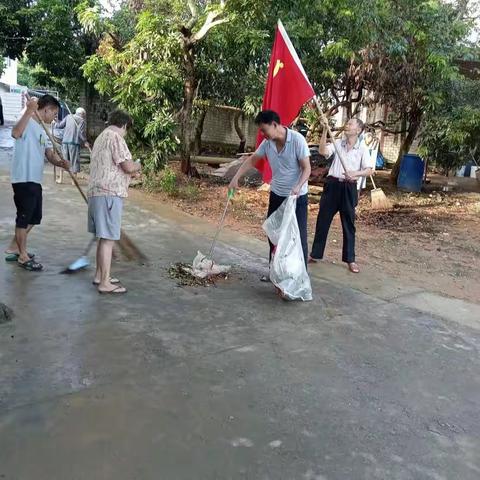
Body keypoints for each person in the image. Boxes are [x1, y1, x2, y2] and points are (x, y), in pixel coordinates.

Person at [229, 110, 311, 281]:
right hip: (277, 195)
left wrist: (297, 186)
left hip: (296, 198)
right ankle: (274, 270)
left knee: (298, 237)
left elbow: (307, 168)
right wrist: (236, 178)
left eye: (264, 130)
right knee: (273, 233)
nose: (262, 134)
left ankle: (300, 276)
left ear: (275, 125)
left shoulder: (297, 140)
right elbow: (252, 160)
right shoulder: (268, 144)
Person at [4, 94, 70, 271]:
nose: (54, 117)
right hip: (23, 177)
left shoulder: (43, 129)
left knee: (34, 217)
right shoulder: (24, 118)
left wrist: (60, 163)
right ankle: (23, 256)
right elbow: (15, 133)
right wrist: (29, 110)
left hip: (35, 178)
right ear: (46, 109)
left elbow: (49, 154)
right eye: (54, 113)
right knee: (23, 218)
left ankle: (14, 246)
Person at [309, 118, 374, 273]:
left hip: (348, 187)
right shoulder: (338, 143)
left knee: (348, 224)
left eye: (351, 124)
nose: (347, 125)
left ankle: (350, 259)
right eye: (347, 123)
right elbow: (323, 151)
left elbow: (369, 169)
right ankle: (315, 254)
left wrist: (355, 173)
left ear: (358, 130)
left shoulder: (362, 148)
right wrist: (325, 130)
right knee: (323, 220)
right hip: (332, 185)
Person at [87, 109, 141, 294]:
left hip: (96, 194)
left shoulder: (101, 137)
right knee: (108, 239)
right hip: (109, 194)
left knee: (103, 237)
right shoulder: (116, 137)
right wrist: (138, 166)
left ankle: (100, 276)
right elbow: (127, 166)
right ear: (124, 125)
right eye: (127, 129)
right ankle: (105, 283)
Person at [55, 107, 90, 184]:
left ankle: (60, 179)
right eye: (84, 115)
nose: (84, 116)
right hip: (74, 143)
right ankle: (73, 181)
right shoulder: (81, 121)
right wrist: (85, 141)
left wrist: (55, 122)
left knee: (64, 160)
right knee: (74, 162)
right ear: (82, 114)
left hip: (65, 142)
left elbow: (60, 125)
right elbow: (81, 133)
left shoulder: (68, 117)